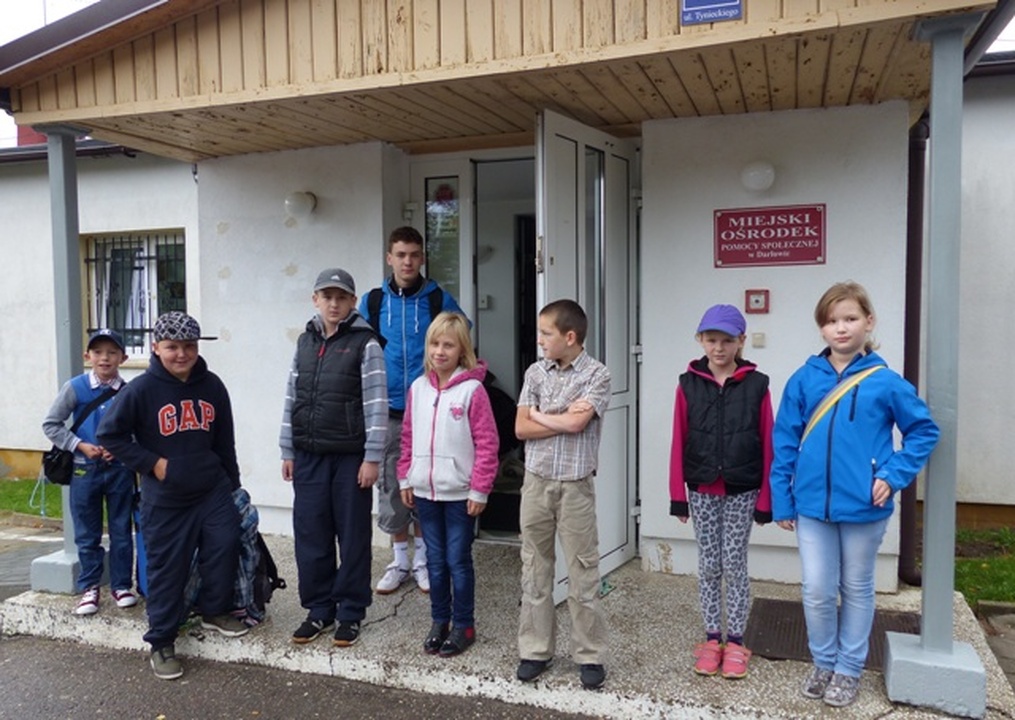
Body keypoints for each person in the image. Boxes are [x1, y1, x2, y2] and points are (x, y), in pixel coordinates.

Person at [770, 282, 939, 708]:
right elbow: (784, 441)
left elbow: (923, 431)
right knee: (817, 589)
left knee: (857, 587)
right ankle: (823, 662)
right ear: (822, 329)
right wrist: (782, 498)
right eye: (831, 321)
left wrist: (894, 474)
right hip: (812, 506)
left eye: (850, 318)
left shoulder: (885, 382)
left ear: (869, 322)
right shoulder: (803, 379)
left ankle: (848, 669)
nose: (841, 328)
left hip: (865, 505)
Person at [97, 311, 249, 681]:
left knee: (225, 545)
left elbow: (224, 440)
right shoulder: (141, 390)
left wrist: (233, 485)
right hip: (166, 497)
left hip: (211, 489)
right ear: (156, 347)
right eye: (172, 347)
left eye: (189, 346)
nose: (182, 354)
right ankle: (162, 641)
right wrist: (154, 464)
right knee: (168, 568)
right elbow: (110, 435)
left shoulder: (212, 385)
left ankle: (215, 610)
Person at [280, 268, 387, 648]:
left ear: (353, 302)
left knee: (353, 536)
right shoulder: (305, 341)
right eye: (327, 296)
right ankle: (319, 609)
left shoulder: (365, 343)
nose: (334, 304)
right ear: (316, 300)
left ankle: (351, 611)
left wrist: (372, 458)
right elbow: (292, 396)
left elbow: (377, 404)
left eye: (341, 297)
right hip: (309, 456)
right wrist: (287, 449)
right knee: (311, 534)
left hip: (350, 458)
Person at [359, 226, 467, 596]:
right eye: (401, 255)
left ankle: (423, 560)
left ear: (422, 258)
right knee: (392, 485)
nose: (407, 262)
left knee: (424, 483)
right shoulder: (373, 302)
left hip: (429, 409)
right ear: (389, 258)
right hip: (388, 410)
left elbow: (460, 340)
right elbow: (358, 349)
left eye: (414, 255)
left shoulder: (438, 299)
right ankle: (399, 561)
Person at [668, 305, 773, 680]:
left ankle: (737, 641)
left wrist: (766, 500)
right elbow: (679, 439)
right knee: (709, 564)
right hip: (702, 488)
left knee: (734, 564)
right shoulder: (688, 384)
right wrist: (678, 495)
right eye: (711, 340)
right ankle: (713, 638)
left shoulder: (757, 385)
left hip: (743, 489)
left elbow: (768, 441)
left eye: (727, 340)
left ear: (741, 341)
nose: (718, 348)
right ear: (700, 340)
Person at [514, 299, 611, 690]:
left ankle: (589, 655)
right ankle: (535, 650)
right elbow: (520, 428)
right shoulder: (535, 372)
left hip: (575, 486)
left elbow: (577, 424)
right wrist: (557, 417)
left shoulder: (597, 374)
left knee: (583, 572)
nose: (540, 340)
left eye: (546, 333)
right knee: (535, 568)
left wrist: (541, 414)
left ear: (570, 337)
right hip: (536, 483)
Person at [397, 312, 499, 657]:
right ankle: (439, 621)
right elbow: (407, 437)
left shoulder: (472, 391)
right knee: (435, 561)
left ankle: (463, 625)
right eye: (435, 344)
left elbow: (487, 443)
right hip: (425, 493)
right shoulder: (418, 389)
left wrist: (480, 489)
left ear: (462, 350)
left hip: (459, 495)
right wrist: (405, 477)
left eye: (448, 345)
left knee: (458, 560)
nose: (440, 351)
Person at [42, 328, 137, 616]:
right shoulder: (75, 387)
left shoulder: (130, 391)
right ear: (88, 356)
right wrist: (79, 445)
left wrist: (122, 448)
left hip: (120, 470)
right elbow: (51, 424)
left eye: (112, 352)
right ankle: (90, 587)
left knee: (121, 530)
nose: (104, 358)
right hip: (84, 470)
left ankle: (121, 585)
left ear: (123, 357)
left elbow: (140, 429)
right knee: (87, 533)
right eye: (98, 352)